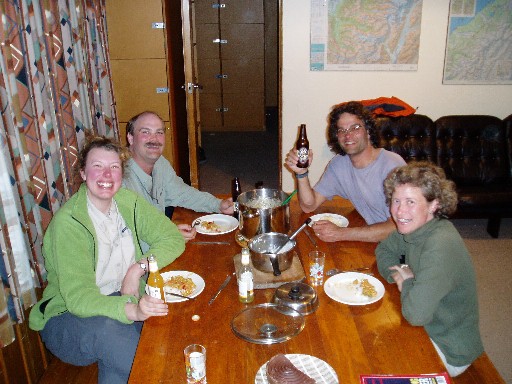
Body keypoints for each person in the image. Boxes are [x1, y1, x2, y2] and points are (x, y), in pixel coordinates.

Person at [29, 134, 186, 384]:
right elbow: (80, 299)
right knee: (149, 362)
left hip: (120, 300)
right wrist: (133, 309)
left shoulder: (127, 201)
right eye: (97, 166)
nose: (107, 175)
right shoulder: (68, 224)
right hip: (68, 318)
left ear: (122, 175)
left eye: (114, 167)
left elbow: (172, 238)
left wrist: (137, 269)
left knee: (162, 339)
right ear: (82, 173)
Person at [376, 161, 484, 377]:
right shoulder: (414, 229)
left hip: (449, 348)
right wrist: (401, 272)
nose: (399, 211)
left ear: (434, 204)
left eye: (410, 202)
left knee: (375, 358)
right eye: (396, 200)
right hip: (428, 323)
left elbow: (415, 314)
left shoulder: (440, 244)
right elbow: (383, 251)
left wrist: (407, 281)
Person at [285, 101, 406, 242]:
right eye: (341, 130)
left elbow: (398, 226)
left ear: (368, 131)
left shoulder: (392, 166)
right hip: (375, 239)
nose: (348, 135)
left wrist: (341, 234)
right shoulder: (339, 164)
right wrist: (301, 173)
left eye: (355, 128)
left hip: (406, 244)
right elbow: (308, 206)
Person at [123, 111, 234, 242]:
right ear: (130, 138)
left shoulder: (160, 163)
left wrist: (218, 204)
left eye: (159, 132)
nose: (154, 139)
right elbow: (130, 232)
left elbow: (182, 193)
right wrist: (168, 234)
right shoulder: (120, 178)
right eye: (145, 132)